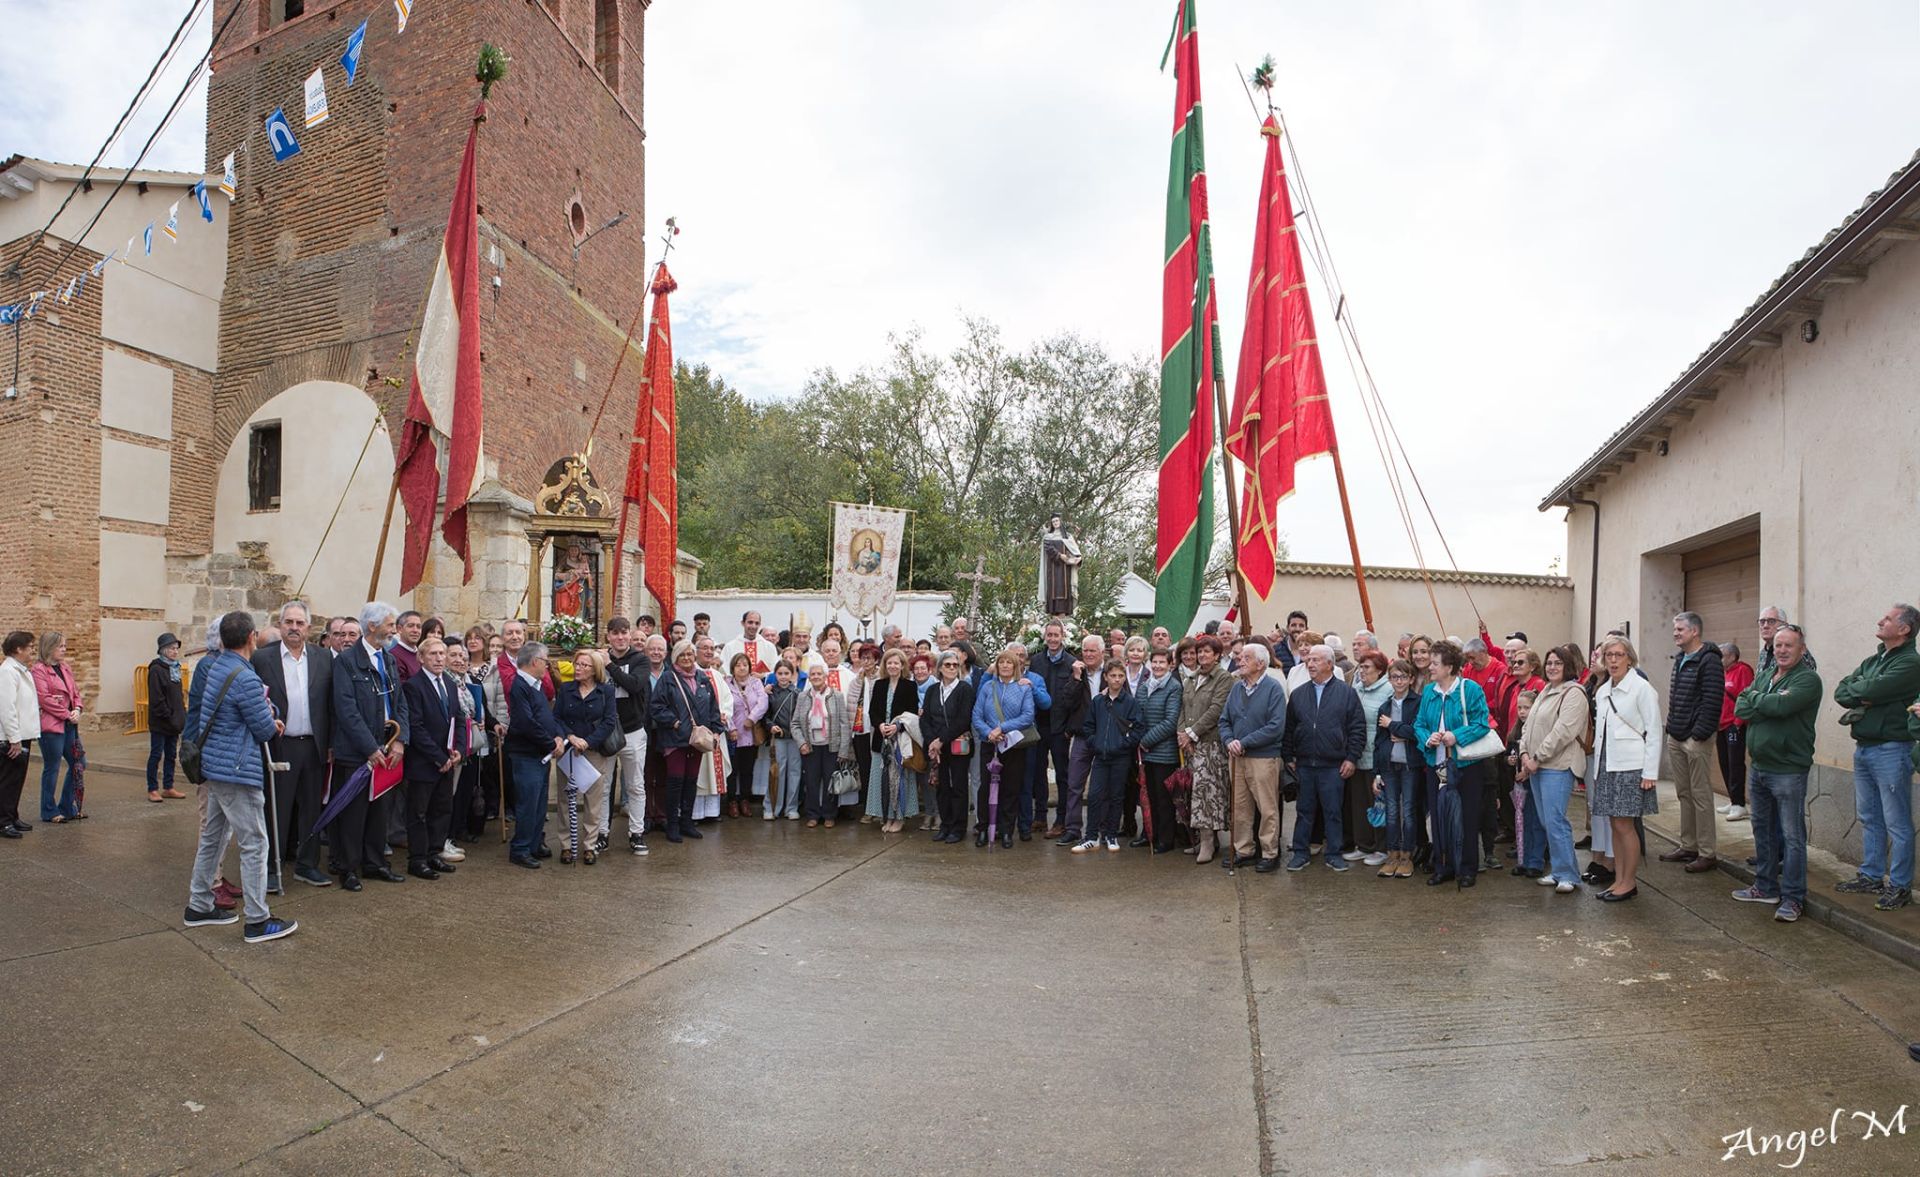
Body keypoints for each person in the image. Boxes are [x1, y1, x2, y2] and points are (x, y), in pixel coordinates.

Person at [180, 611, 297, 944]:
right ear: (252, 638)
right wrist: (272, 715)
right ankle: (258, 920)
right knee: (255, 843)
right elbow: (262, 727)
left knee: (213, 838)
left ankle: (199, 905)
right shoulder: (244, 676)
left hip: (216, 767)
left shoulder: (216, 666)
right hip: (236, 770)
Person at [1832, 603, 1920, 911]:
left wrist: (1869, 692)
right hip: (1865, 747)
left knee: (1897, 821)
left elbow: (1877, 688)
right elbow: (1842, 691)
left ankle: (1899, 885)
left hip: (1892, 749)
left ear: (1905, 629)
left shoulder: (1910, 663)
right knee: (1870, 816)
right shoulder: (1873, 659)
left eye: (1888, 618)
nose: (1880, 620)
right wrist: (1865, 693)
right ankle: (1871, 876)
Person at [1733, 623, 1822, 923]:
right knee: (1763, 830)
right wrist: (1765, 702)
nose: (1782, 650)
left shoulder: (1808, 681)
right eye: (1778, 645)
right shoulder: (1767, 676)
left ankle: (1793, 898)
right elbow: (1741, 707)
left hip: (1788, 770)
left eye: (1789, 645)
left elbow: (1782, 707)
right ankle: (1765, 887)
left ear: (1802, 649)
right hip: (1759, 767)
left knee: (1792, 836)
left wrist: (1760, 702)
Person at [327, 602, 411, 890]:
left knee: (380, 811)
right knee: (354, 813)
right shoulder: (346, 662)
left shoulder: (387, 659)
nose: (393, 629)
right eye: (390, 624)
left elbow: (399, 702)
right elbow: (346, 710)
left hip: (387, 747)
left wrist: (400, 740)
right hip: (358, 753)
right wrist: (369, 748)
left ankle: (375, 863)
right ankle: (349, 868)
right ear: (372, 626)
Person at [252, 602, 334, 889]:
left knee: (311, 809)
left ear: (308, 628)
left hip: (314, 747)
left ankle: (307, 865)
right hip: (279, 746)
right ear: (280, 624)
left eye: (300, 623)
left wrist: (331, 743)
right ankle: (272, 869)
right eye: (289, 622)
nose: (294, 628)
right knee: (277, 809)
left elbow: (331, 705)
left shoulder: (324, 659)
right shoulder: (262, 659)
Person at [1413, 640, 1494, 890]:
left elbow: (1482, 724)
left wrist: (1455, 736)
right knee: (1438, 818)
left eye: (1435, 663)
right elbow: (1419, 724)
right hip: (1436, 764)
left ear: (1449, 667)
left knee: (1467, 817)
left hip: (1466, 766)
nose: (1430, 668)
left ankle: (1467, 868)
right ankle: (1443, 866)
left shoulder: (1470, 690)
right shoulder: (1429, 691)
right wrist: (1428, 737)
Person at [1590, 636, 1663, 903]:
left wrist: (1650, 773)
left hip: (1632, 766)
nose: (1613, 660)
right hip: (1608, 765)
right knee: (1614, 824)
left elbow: (1654, 731)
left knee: (1624, 825)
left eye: (1619, 655)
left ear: (1629, 658)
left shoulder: (1641, 688)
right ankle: (1619, 879)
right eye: (1609, 655)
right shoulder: (1603, 690)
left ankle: (1629, 882)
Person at [1282, 644, 1365, 874]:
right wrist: (1288, 756)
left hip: (1333, 765)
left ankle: (1334, 854)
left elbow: (1357, 729)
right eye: (1309, 660)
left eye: (1316, 660)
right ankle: (1300, 853)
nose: (1310, 664)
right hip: (1305, 764)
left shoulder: (1347, 693)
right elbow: (1289, 728)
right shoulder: (1299, 694)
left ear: (1330, 664)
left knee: (1333, 812)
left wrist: (1351, 758)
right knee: (1304, 811)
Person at [1519, 645, 1590, 893]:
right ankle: (1559, 870)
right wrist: (1524, 753)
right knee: (1546, 820)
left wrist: (1536, 758)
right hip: (1537, 765)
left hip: (1557, 766)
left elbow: (1563, 733)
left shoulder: (1574, 693)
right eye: (1549, 663)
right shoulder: (1546, 690)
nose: (1552, 667)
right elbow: (1528, 726)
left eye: (1558, 663)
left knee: (1555, 820)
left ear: (1568, 666)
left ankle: (1569, 874)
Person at [1658, 612, 1724, 874]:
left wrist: (1699, 734)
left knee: (1700, 795)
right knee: (1683, 793)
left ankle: (1707, 853)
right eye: (1675, 629)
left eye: (1680, 629)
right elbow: (1676, 698)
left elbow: (1712, 700)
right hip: (1676, 735)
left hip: (1696, 739)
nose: (1675, 633)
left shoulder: (1709, 661)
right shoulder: (1680, 658)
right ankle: (1689, 845)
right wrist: (1673, 729)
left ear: (1695, 631)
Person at [398, 637, 467, 878]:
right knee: (418, 812)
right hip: (424, 762)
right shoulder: (414, 686)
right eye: (433, 654)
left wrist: (459, 748)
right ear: (421, 658)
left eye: (442, 654)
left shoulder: (448, 683)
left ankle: (434, 853)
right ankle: (417, 859)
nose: (439, 658)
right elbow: (415, 727)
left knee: (441, 809)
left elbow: (458, 718)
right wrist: (438, 757)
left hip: (447, 760)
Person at [1219, 643, 1288, 871]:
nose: (1240, 661)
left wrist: (1244, 742)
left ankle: (1270, 853)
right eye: (1240, 657)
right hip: (1237, 757)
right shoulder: (1236, 689)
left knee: (1267, 808)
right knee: (1240, 807)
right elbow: (1224, 721)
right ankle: (1244, 850)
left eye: (1246, 658)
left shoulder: (1273, 688)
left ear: (1260, 664)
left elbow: (1275, 727)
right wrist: (1229, 740)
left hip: (1263, 758)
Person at [652, 639, 724, 843]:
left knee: (691, 781)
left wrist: (716, 730)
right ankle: (672, 824)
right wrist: (674, 722)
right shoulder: (668, 678)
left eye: (689, 654)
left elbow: (713, 707)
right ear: (675, 657)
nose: (686, 658)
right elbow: (656, 707)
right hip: (675, 739)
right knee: (675, 781)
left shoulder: (702, 678)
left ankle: (687, 822)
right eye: (682, 654)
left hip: (697, 740)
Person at [552, 649, 618, 865]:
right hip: (569, 752)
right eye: (576, 664)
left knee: (593, 801)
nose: (578, 668)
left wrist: (588, 742)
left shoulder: (605, 692)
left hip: (594, 752)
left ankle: (589, 845)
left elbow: (609, 722)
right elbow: (557, 718)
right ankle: (566, 845)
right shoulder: (566, 689)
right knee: (565, 800)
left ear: (594, 670)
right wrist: (570, 737)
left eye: (583, 665)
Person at [504, 642, 567, 868]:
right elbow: (525, 723)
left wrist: (559, 736)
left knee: (539, 803)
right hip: (526, 755)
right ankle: (520, 848)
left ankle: (533, 843)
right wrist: (551, 743)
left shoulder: (536, 685)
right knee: (528, 804)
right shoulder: (519, 685)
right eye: (545, 662)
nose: (547, 666)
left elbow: (547, 715)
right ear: (534, 662)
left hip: (540, 753)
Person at [1075, 662, 1143, 853]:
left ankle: (1111, 835)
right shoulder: (1098, 701)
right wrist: (1094, 742)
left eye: (1121, 676)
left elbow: (1138, 728)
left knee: (1116, 796)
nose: (1117, 679)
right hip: (1100, 757)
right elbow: (1088, 725)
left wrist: (1123, 744)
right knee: (1095, 795)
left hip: (1120, 757)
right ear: (1106, 677)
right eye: (1113, 675)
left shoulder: (1130, 702)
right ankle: (1091, 836)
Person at [972, 646, 1036, 849]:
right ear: (997, 666)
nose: (1006, 665)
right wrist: (989, 733)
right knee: (985, 789)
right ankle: (983, 829)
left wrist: (1002, 728)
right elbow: (976, 715)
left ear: (1016, 666)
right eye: (1002, 662)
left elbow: (1027, 716)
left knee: (1011, 788)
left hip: (1014, 745)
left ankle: (1007, 830)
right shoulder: (987, 688)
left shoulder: (1023, 688)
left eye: (1010, 662)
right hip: (990, 744)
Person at [1178, 635, 1232, 865]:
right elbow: (1183, 707)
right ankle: (1204, 839)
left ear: (1218, 654)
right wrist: (1182, 734)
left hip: (1211, 744)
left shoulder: (1224, 678)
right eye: (1199, 652)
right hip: (1191, 746)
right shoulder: (1192, 678)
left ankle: (1209, 842)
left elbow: (1216, 710)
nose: (1201, 656)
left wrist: (1191, 733)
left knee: (1208, 794)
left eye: (1207, 652)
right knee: (1194, 793)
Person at [603, 617, 652, 854]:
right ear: (609, 636)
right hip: (606, 731)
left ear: (629, 635)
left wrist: (610, 667)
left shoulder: (640, 660)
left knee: (635, 785)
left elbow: (634, 685)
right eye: (615, 633)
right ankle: (601, 832)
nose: (620, 638)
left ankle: (636, 833)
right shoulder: (601, 658)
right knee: (604, 785)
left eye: (624, 633)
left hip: (632, 730)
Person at [1053, 635, 1104, 847]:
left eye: (1093, 651)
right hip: (1082, 736)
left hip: (1104, 736)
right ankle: (1072, 828)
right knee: (1074, 784)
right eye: (1086, 651)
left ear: (1102, 653)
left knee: (1101, 788)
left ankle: (1100, 829)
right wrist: (1075, 677)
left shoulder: (1112, 672)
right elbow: (1066, 701)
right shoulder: (1077, 673)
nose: (1089, 655)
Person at [921, 649, 976, 844]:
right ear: (940, 668)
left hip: (957, 746)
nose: (952, 668)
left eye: (955, 665)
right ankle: (945, 825)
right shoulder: (932, 690)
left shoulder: (965, 690)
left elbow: (963, 720)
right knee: (941, 787)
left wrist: (941, 740)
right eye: (947, 665)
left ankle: (958, 828)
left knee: (958, 786)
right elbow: (925, 719)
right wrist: (931, 742)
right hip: (936, 747)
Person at [1372, 659, 1420, 878]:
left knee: (1408, 812)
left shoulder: (1417, 703)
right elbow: (1379, 743)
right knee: (1391, 811)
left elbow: (1417, 732)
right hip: (1389, 766)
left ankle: (1407, 856)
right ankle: (1392, 854)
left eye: (1403, 677)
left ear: (1411, 679)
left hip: (1410, 766)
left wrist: (1393, 726)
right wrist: (1377, 773)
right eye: (1394, 677)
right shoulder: (1385, 706)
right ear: (1389, 680)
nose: (1398, 681)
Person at [1032, 621, 1077, 841]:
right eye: (1049, 635)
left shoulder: (1071, 663)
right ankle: (1040, 815)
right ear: (1044, 637)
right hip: (1040, 726)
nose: (1052, 639)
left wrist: (1069, 728)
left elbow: (1075, 699)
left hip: (1060, 728)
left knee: (1063, 775)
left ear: (1062, 637)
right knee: (1038, 772)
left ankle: (1061, 820)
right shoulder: (1036, 661)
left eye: (1056, 635)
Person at [867, 648, 921, 831]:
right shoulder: (879, 685)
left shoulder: (910, 686)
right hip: (881, 739)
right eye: (889, 663)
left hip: (900, 740)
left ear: (902, 665)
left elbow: (913, 713)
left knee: (900, 779)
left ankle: (899, 817)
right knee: (882, 779)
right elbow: (872, 711)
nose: (892, 666)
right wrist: (880, 725)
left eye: (896, 663)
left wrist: (897, 726)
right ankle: (886, 816)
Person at [1136, 647, 1183, 853]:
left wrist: (1146, 740)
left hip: (1164, 753)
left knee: (1164, 800)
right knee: (1149, 797)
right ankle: (1149, 834)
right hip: (1145, 754)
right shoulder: (1144, 686)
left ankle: (1166, 839)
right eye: (1154, 662)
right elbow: (1137, 715)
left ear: (1170, 664)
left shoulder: (1174, 687)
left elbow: (1171, 721)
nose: (1157, 666)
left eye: (1162, 662)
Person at [32, 632, 83, 824]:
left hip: (70, 724)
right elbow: (44, 699)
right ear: (49, 647)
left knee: (79, 764)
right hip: (52, 727)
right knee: (52, 768)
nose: (64, 649)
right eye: (60, 646)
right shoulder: (38, 670)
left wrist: (77, 708)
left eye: (64, 646)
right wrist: (66, 713)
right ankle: (49, 811)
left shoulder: (65, 667)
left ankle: (67, 806)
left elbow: (75, 692)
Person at [795, 654, 851, 828]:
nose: (816, 677)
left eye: (820, 674)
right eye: (813, 674)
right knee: (811, 782)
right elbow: (795, 722)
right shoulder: (803, 697)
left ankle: (829, 814)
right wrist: (801, 743)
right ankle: (812, 814)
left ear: (826, 676)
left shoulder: (837, 696)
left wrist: (843, 750)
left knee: (830, 782)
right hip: (810, 746)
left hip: (831, 746)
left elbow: (844, 725)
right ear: (809, 678)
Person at [1350, 651, 1394, 867]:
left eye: (1367, 667)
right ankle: (1363, 845)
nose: (1362, 671)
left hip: (1377, 757)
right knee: (1359, 803)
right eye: (1361, 667)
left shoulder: (1388, 691)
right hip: (1357, 754)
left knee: (1378, 803)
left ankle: (1381, 847)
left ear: (1379, 670)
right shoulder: (1356, 689)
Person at [443, 642, 486, 852]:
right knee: (447, 794)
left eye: (463, 656)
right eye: (454, 655)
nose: (459, 660)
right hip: (452, 745)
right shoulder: (447, 682)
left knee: (460, 793)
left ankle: (451, 836)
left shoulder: (464, 683)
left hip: (467, 744)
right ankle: (443, 839)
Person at [0, 631, 39, 840]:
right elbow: (7, 708)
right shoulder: (8, 671)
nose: (33, 650)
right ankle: (3, 821)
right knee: (8, 780)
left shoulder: (21, 670)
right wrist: (13, 738)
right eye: (30, 646)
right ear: (18, 649)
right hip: (11, 737)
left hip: (23, 734)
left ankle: (12, 815)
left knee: (18, 779)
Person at [725, 652, 769, 819]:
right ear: (733, 668)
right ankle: (732, 801)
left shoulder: (755, 683)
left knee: (747, 770)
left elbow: (762, 702)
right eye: (738, 665)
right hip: (733, 734)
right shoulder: (726, 684)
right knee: (732, 770)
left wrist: (752, 719)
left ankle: (745, 799)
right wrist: (731, 728)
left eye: (745, 664)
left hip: (750, 733)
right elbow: (724, 707)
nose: (742, 668)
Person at [147, 632, 188, 802]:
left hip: (174, 722)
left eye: (176, 648)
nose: (175, 651)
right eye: (171, 648)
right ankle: (152, 789)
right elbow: (157, 699)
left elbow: (177, 695)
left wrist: (180, 716)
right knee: (156, 754)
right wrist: (169, 716)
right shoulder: (156, 669)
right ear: (163, 650)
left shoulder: (175, 668)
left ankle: (168, 787)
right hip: (161, 722)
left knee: (171, 755)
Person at [1717, 642, 1755, 823]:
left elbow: (1746, 696)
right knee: (1724, 763)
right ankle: (1733, 800)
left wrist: (1738, 722)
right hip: (1721, 725)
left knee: (1735, 764)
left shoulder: (1743, 670)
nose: (1719, 659)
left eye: (1721, 655)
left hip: (1734, 725)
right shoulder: (1722, 672)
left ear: (1732, 656)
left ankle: (1739, 804)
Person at [764, 660, 803, 820]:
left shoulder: (798, 693)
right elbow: (765, 715)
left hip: (794, 738)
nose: (783, 677)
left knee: (795, 773)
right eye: (780, 673)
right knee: (776, 772)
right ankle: (772, 807)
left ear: (792, 675)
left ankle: (791, 808)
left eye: (787, 673)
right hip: (778, 738)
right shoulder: (770, 693)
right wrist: (771, 726)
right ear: (775, 674)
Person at [390, 611, 424, 682]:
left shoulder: (422, 655)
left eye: (418, 627)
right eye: (411, 626)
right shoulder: (393, 656)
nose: (415, 630)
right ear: (399, 629)